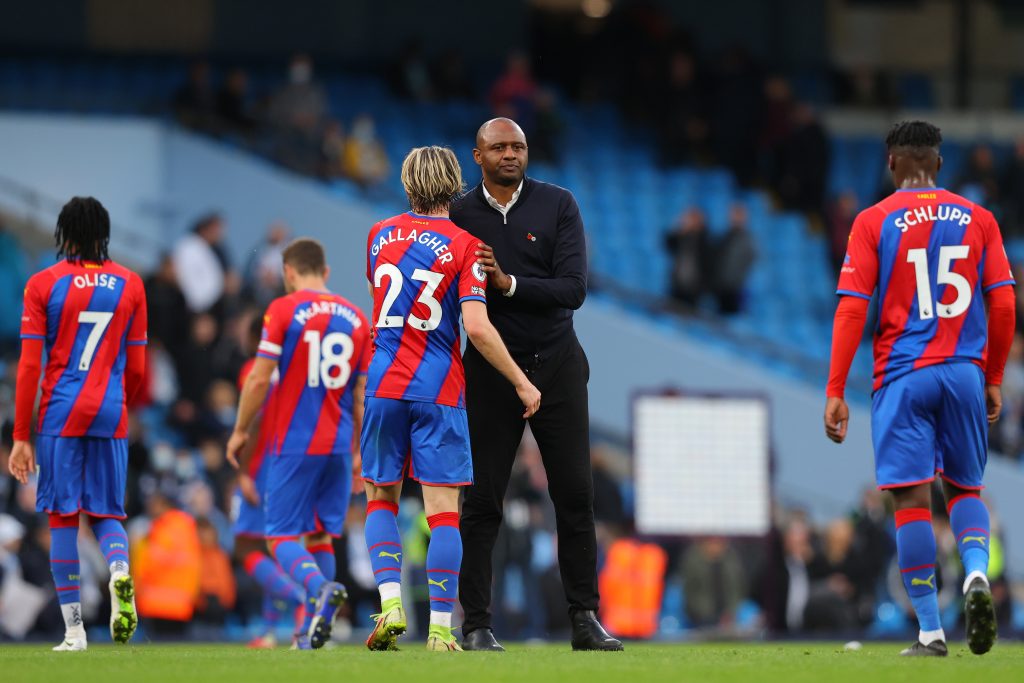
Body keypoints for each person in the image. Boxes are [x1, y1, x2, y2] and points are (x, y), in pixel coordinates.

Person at [824, 121, 1016, 657]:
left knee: (911, 501)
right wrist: (993, 376)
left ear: (891, 164)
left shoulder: (873, 220)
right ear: (939, 162)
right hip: (962, 372)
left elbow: (852, 307)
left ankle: (931, 631)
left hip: (903, 374)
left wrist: (836, 386)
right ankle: (977, 572)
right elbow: (1003, 304)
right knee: (964, 490)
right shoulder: (979, 218)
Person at [450, 118, 623, 652]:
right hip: (490, 368)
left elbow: (573, 289)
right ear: (476, 156)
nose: (510, 154)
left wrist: (506, 283)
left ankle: (584, 618)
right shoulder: (459, 213)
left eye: (518, 146)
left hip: (557, 364)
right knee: (482, 501)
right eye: (498, 147)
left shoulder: (558, 204)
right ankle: (477, 623)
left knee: (575, 495)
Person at [360, 146, 541, 653]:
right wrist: (521, 382)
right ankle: (441, 628)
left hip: (384, 386)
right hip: (439, 389)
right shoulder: (467, 244)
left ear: (407, 183)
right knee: (442, 513)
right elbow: (478, 328)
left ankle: (391, 601)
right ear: (456, 183)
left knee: (380, 496)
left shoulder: (377, 236)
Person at [8, 196, 147, 651]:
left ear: (64, 234)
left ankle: (74, 632)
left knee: (64, 518)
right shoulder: (130, 284)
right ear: (103, 235)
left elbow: (29, 368)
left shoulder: (43, 284)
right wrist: (122, 404)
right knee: (107, 513)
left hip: (61, 412)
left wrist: (21, 436)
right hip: (110, 409)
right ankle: (121, 574)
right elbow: (139, 368)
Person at [227, 238, 370, 650]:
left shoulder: (284, 310)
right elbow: (360, 393)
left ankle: (317, 590)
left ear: (289, 273)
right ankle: (309, 639)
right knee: (321, 536)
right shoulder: (357, 318)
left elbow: (258, 378)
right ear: (324, 272)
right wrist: (360, 450)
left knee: (280, 538)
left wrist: (239, 429)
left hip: (295, 441)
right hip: (340, 444)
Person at [230, 317, 303, 648]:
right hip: (294, 460)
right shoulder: (292, 371)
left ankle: (303, 596)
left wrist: (244, 472)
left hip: (263, 464)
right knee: (277, 547)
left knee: (246, 546)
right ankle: (270, 632)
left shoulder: (253, 371)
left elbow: (254, 422)